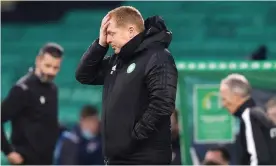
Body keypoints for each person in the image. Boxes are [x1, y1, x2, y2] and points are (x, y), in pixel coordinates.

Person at [75, 6, 178, 165]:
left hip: (145, 159)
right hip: (118, 159)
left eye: (111, 34)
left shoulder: (158, 56)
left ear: (131, 31)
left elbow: (163, 104)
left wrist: (133, 137)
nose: (108, 40)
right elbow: (83, 75)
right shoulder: (118, 61)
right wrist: (100, 44)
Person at [1, 43, 64, 165]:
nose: (51, 71)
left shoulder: (53, 89)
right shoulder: (22, 89)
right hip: (25, 161)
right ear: (38, 61)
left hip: (46, 160)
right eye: (47, 66)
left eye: (55, 68)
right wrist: (8, 151)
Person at [220, 73, 276, 165]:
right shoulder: (258, 114)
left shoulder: (249, 115)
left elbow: (257, 157)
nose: (223, 104)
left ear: (236, 96)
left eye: (224, 99)